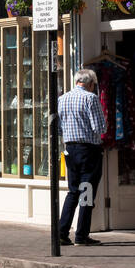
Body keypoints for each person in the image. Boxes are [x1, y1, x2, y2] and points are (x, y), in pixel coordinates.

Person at [58, 68, 106, 246]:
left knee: (72, 191)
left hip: (70, 150)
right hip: (88, 151)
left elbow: (58, 128)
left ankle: (62, 233)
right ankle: (81, 235)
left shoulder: (62, 99)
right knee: (86, 192)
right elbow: (99, 128)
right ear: (91, 84)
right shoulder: (90, 98)